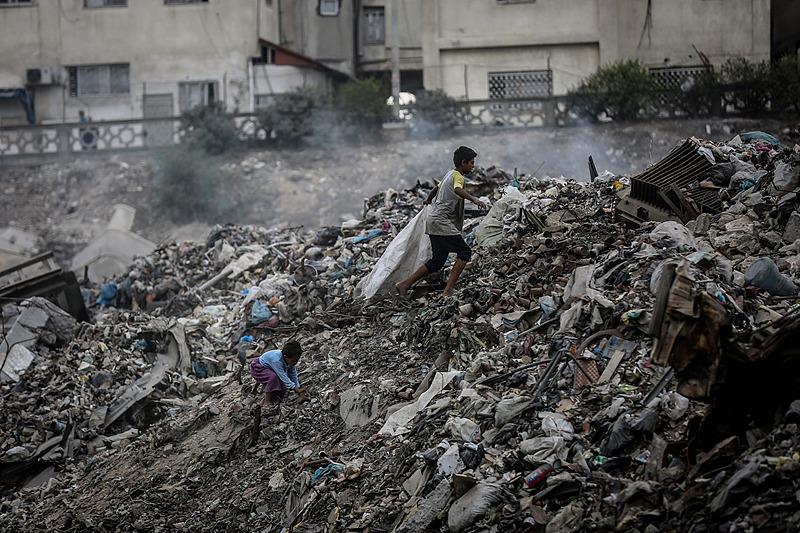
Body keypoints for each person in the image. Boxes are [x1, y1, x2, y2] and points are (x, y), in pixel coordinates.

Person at [396, 146, 487, 297]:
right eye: (471, 163)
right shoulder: (458, 176)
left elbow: (434, 190)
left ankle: (404, 284)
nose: (473, 166)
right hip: (440, 221)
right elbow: (458, 189)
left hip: (433, 219)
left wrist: (427, 202)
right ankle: (448, 290)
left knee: (438, 261)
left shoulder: (448, 174)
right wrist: (474, 199)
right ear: (463, 162)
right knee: (465, 252)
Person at [250, 340, 304, 406]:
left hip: (269, 368)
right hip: (258, 368)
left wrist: (297, 387)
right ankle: (267, 401)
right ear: (285, 356)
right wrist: (294, 388)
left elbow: (293, 374)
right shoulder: (276, 361)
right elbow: (282, 376)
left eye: (297, 360)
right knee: (273, 378)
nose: (295, 363)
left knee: (281, 388)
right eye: (293, 361)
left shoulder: (290, 361)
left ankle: (264, 394)